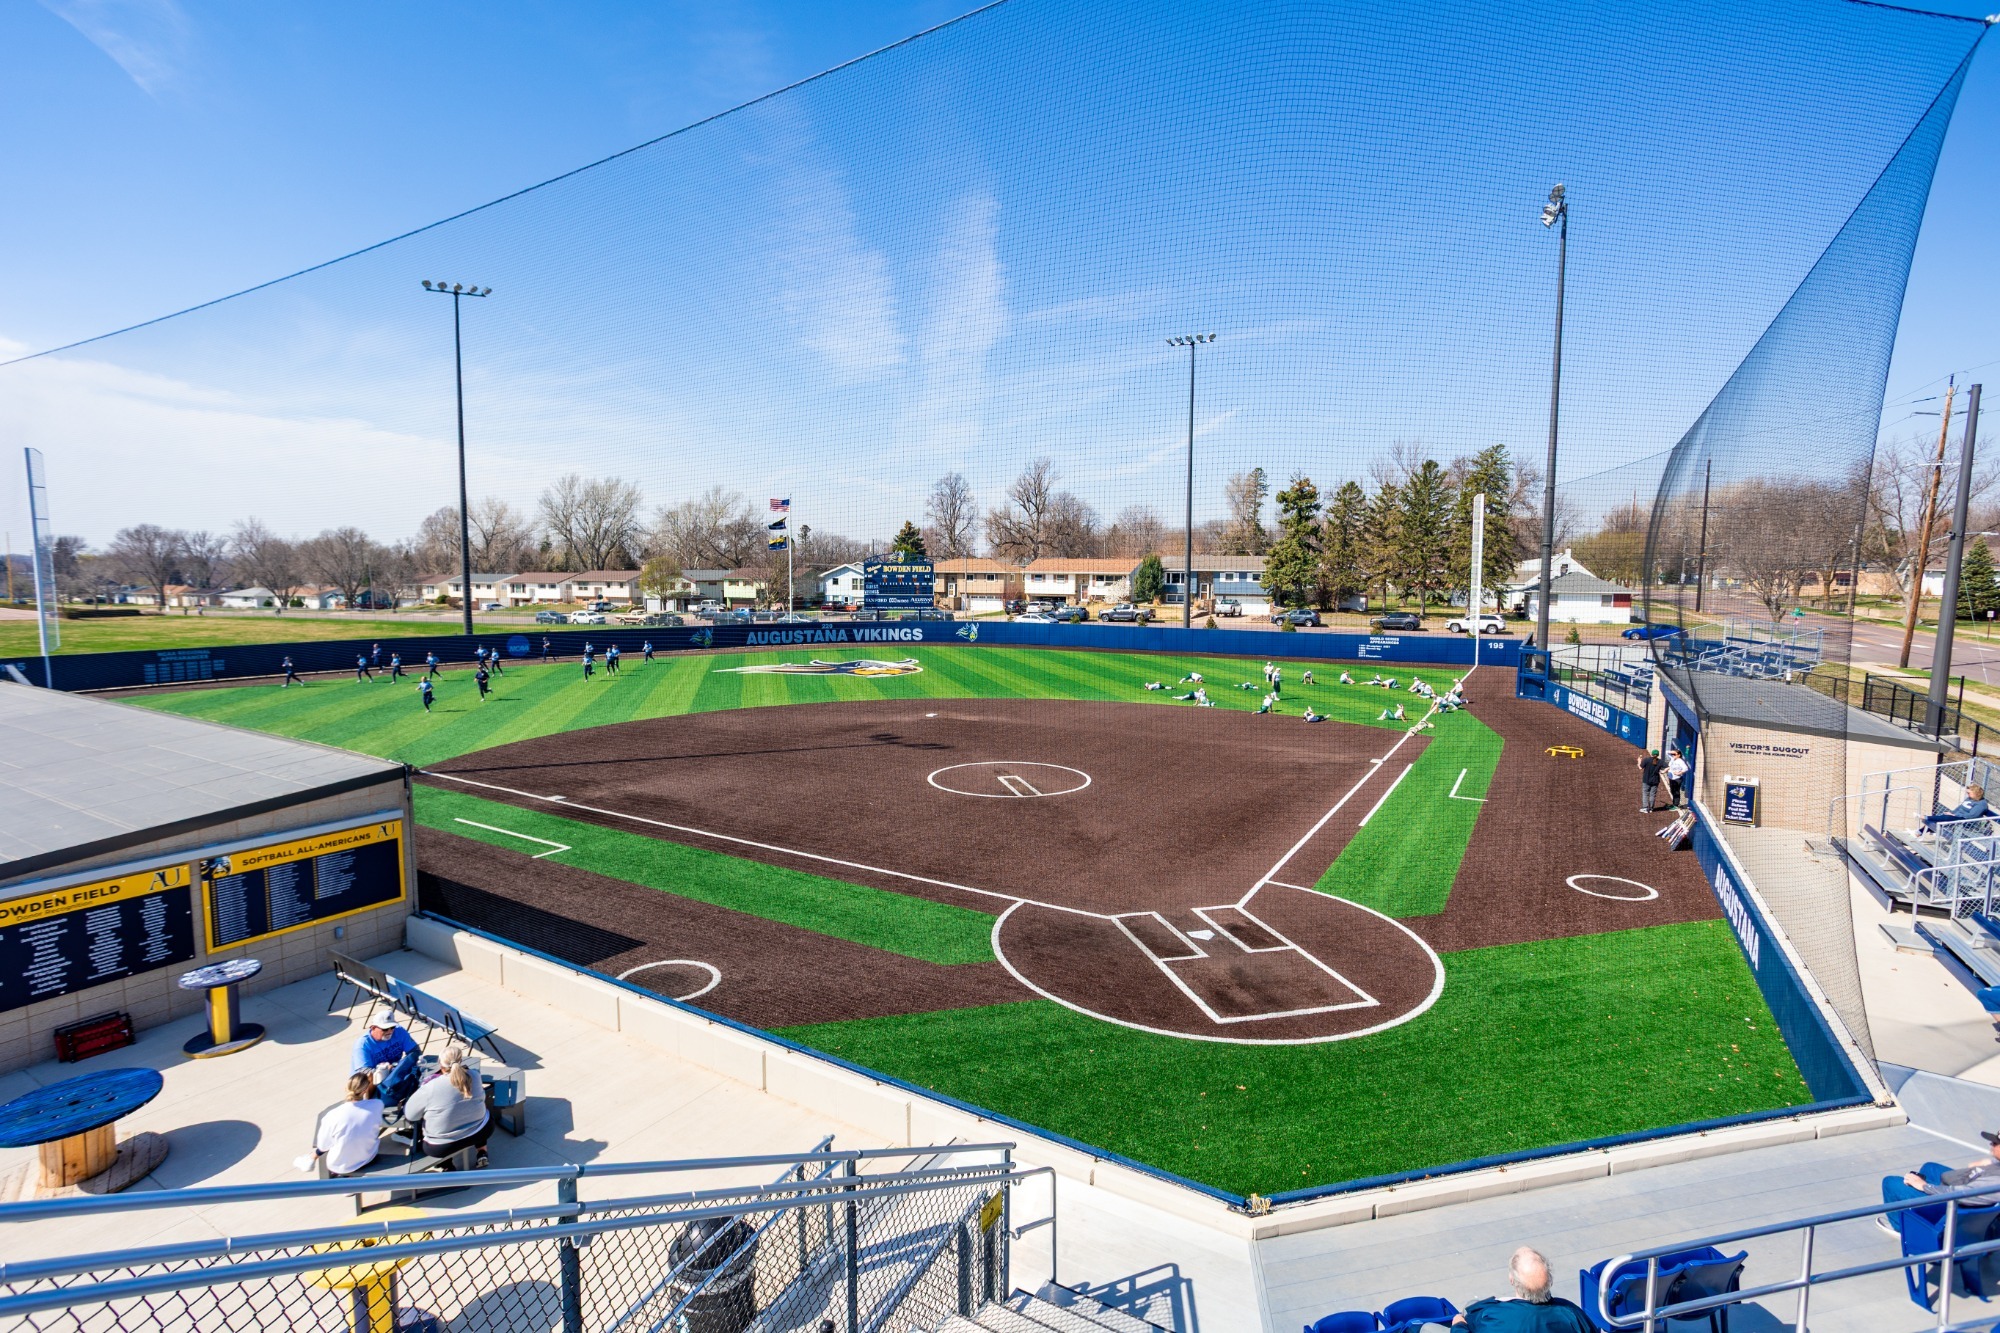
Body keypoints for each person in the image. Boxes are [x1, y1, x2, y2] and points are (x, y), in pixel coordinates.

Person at [1452, 1247, 1593, 1331]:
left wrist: (1458, 1325)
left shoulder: (1494, 1317)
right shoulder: (1571, 1313)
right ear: (1549, 1282)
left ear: (1512, 1280)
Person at [401, 1046, 494, 1168]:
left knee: (430, 1119)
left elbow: (410, 1115)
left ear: (440, 1063)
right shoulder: (475, 1076)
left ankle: (447, 1165)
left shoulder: (430, 1086)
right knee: (474, 1111)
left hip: (441, 1146)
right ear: (460, 1060)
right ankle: (482, 1151)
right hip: (481, 1132)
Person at [305, 1072, 385, 1177]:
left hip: (339, 1165)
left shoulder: (332, 1115)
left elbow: (323, 1146)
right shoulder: (377, 1105)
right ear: (365, 1090)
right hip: (368, 1157)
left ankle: (312, 1158)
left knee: (337, 1141)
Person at [1924, 785, 1991, 833]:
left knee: (1946, 818)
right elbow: (1960, 807)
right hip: (1958, 817)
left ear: (1976, 793)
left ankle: (1927, 818)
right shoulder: (1970, 799)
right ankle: (1920, 832)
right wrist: (1952, 813)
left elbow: (1971, 815)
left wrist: (1956, 815)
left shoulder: (1981, 804)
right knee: (1941, 817)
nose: (1967, 794)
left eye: (1969, 793)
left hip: (1967, 821)